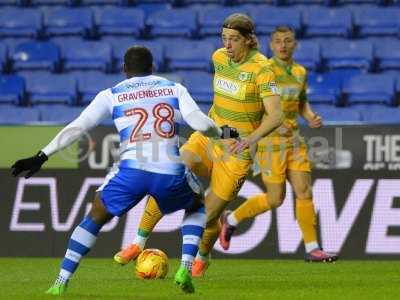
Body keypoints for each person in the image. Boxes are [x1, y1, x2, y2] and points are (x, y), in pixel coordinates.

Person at [11, 46, 240, 295]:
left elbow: (78, 127)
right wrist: (225, 133)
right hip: (169, 170)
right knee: (196, 207)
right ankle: (185, 266)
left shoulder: (111, 94)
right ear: (153, 67)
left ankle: (60, 281)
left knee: (95, 217)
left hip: (131, 171)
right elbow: (198, 122)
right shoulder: (174, 88)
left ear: (124, 69)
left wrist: (41, 155)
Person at [113, 13, 283, 276]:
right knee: (167, 174)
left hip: (237, 153)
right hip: (210, 138)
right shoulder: (219, 58)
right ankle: (138, 243)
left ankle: (203, 255)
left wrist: (250, 139)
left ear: (249, 40)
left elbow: (276, 115)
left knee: (209, 217)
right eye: (224, 38)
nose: (227, 45)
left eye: (234, 39)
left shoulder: (262, 70)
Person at [219, 26, 338, 263]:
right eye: (278, 42)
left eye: (288, 41)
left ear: (295, 45)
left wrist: (310, 115)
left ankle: (313, 248)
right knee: (275, 199)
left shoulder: (300, 71)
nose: (283, 45)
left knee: (304, 191)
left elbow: (301, 102)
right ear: (271, 45)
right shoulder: (263, 70)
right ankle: (231, 220)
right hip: (270, 143)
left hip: (295, 141)